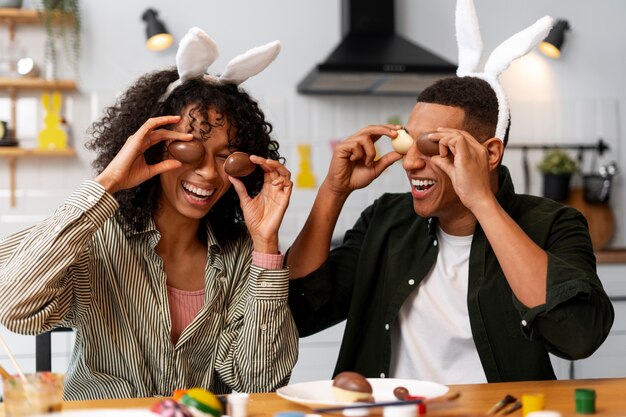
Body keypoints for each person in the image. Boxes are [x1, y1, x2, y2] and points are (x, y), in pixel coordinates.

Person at [286, 1, 614, 384]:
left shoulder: (554, 223)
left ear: (490, 153)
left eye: (434, 147)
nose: (409, 164)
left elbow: (578, 336)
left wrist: (481, 201)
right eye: (410, 144)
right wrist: (333, 190)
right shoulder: (385, 219)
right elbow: (301, 313)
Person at [0, 28, 297, 400]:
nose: (207, 172)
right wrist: (108, 182)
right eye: (190, 148)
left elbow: (259, 382)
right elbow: (13, 305)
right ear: (152, 147)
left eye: (225, 156)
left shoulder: (241, 255)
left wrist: (266, 245)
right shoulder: (96, 239)